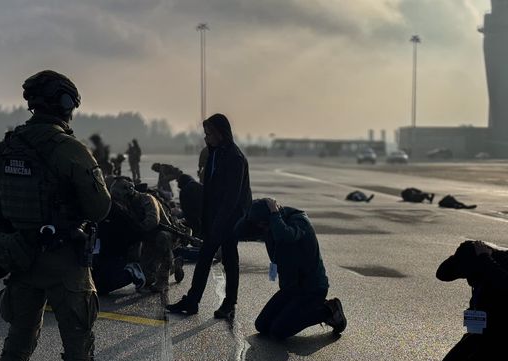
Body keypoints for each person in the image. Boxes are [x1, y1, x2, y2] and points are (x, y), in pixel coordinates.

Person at [0, 70, 124, 361]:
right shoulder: (69, 149)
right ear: (65, 104)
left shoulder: (5, 149)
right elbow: (99, 208)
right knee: (77, 344)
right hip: (65, 262)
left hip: (23, 260)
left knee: (18, 341)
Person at [167, 113, 251, 318]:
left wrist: (219, 224)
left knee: (221, 258)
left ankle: (222, 303)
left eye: (210, 133)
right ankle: (198, 301)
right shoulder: (215, 153)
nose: (206, 138)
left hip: (232, 216)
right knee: (218, 257)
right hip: (217, 214)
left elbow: (232, 196)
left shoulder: (235, 157)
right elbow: (210, 190)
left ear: (221, 134)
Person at [235, 198, 346, 338]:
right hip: (290, 289)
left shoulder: (299, 221)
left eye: (263, 224)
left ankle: (329, 310)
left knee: (278, 332)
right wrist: (248, 214)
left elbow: (285, 236)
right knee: (262, 326)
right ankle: (302, 310)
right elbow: (239, 231)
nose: (262, 229)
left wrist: (274, 213)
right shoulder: (270, 226)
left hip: (311, 289)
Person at [435, 240, 508, 361]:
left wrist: (485, 259)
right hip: (479, 335)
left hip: (506, 338)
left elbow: (506, 284)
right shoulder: (472, 260)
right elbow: (442, 274)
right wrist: (456, 256)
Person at [109, 177, 174, 297]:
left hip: (163, 234)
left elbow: (153, 220)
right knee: (147, 280)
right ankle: (174, 265)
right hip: (147, 239)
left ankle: (164, 279)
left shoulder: (147, 199)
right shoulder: (127, 204)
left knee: (162, 238)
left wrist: (136, 231)